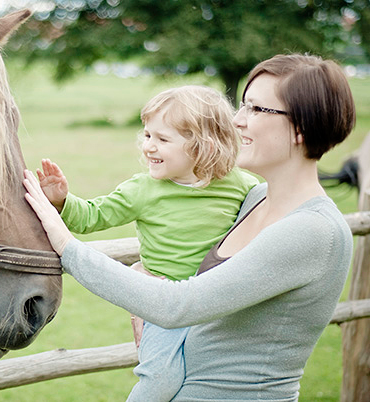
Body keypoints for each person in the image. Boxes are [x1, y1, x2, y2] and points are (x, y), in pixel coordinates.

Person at [23, 53, 355, 400]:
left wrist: (66, 245)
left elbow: (178, 305)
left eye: (256, 109)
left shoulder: (314, 232)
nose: (237, 121)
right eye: (241, 106)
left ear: (301, 127)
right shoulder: (254, 198)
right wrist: (144, 277)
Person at [36, 85, 258, 401]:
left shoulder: (242, 187)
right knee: (160, 382)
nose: (148, 147)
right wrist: (61, 201)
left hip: (216, 308)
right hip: (162, 305)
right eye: (147, 135)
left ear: (203, 146)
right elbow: (92, 217)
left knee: (209, 383)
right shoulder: (143, 189)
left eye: (162, 139)